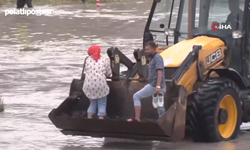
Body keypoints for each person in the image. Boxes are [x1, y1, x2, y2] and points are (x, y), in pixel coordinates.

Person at [128, 41, 166, 122]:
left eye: (148, 50)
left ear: (153, 48)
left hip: (155, 86)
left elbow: (160, 72)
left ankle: (137, 118)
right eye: (145, 50)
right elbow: (154, 72)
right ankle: (163, 121)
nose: (146, 51)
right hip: (156, 85)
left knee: (136, 96)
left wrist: (158, 86)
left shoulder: (157, 58)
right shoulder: (153, 58)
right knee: (159, 105)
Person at [82, 45, 112, 119]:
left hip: (89, 83)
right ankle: (101, 117)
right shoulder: (104, 60)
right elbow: (109, 73)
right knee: (102, 103)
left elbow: (86, 70)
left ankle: (90, 117)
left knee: (92, 102)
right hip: (101, 83)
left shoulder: (87, 59)